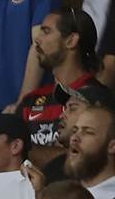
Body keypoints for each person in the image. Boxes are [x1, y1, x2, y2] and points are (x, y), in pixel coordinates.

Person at [18, 8, 98, 161]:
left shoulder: (96, 99)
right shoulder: (30, 101)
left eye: (46, 31)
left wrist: (23, 152)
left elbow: (83, 159)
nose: (37, 39)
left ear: (71, 40)